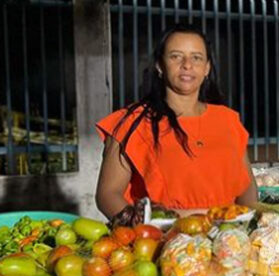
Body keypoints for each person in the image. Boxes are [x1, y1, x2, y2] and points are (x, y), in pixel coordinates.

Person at [95, 24, 257, 220]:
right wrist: (145, 230)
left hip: (228, 238)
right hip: (164, 241)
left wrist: (248, 227)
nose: (187, 65)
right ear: (160, 65)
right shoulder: (133, 122)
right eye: (176, 56)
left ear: (207, 68)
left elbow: (247, 191)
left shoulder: (228, 120)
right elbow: (108, 194)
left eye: (196, 57)